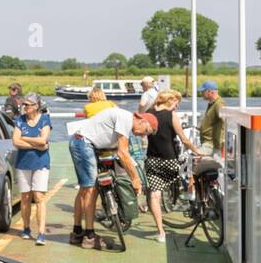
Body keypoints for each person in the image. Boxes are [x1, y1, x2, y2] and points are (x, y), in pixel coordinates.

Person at [66, 104, 156, 248]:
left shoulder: (124, 118)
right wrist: (135, 179)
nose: (142, 135)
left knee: (84, 189)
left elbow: (118, 151)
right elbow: (123, 152)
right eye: (145, 131)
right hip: (84, 144)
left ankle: (77, 232)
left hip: (82, 142)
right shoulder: (126, 118)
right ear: (142, 120)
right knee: (91, 189)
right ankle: (89, 236)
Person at [145, 89, 199, 243]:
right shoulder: (172, 115)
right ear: (170, 100)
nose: (176, 107)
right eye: (176, 103)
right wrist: (198, 151)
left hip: (152, 160)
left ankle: (160, 232)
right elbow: (184, 140)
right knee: (189, 166)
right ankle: (191, 192)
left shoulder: (149, 113)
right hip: (171, 160)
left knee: (155, 195)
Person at [12, 92, 52, 245]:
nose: (24, 107)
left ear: (36, 106)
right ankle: (26, 228)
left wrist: (25, 138)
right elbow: (15, 141)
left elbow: (43, 139)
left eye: (27, 105)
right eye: (24, 105)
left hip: (41, 163)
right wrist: (36, 144)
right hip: (23, 164)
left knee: (39, 197)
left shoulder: (44, 120)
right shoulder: (20, 120)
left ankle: (41, 232)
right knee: (25, 198)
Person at [198, 79, 225, 154]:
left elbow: (225, 120)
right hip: (208, 143)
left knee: (195, 157)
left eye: (203, 91)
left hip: (211, 144)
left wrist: (222, 140)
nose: (201, 94)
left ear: (210, 92)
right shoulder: (212, 103)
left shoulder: (219, 104)